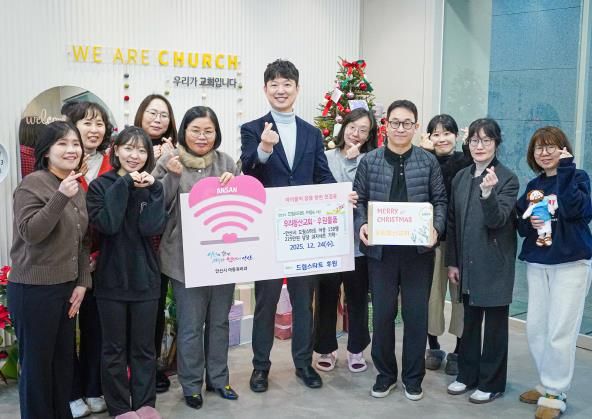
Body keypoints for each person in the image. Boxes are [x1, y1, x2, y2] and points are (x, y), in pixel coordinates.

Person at [240, 59, 336, 392]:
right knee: (265, 302)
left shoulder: (312, 133)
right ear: (265, 89)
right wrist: (264, 149)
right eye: (274, 84)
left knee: (303, 302)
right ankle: (260, 368)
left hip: (302, 232)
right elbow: (248, 173)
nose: (281, 90)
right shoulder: (252, 129)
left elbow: (322, 175)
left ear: (297, 88)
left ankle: (303, 364)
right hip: (267, 231)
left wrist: (341, 196)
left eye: (287, 84)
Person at [354, 99, 447, 401]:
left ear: (416, 127)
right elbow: (359, 200)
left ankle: (413, 377)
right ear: (386, 125)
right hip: (381, 252)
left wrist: (436, 228)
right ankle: (385, 375)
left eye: (407, 123)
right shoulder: (370, 161)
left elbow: (440, 201)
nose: (400, 128)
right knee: (382, 315)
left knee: (415, 316)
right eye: (395, 122)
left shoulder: (428, 162)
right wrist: (362, 224)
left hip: (418, 253)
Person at [153, 106, 239, 410]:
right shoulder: (169, 160)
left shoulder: (226, 162)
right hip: (183, 259)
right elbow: (155, 205)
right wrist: (172, 176)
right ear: (184, 132)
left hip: (222, 258)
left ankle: (218, 379)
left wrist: (235, 185)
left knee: (219, 322)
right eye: (195, 130)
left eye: (208, 131)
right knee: (190, 326)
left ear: (216, 133)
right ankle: (191, 385)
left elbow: (243, 205)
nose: (202, 137)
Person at [8, 120, 91, 419]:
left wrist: (82, 282)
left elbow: (82, 240)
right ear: (46, 151)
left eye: (75, 143)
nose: (71, 150)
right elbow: (31, 232)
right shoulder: (32, 184)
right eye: (62, 143)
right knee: (37, 371)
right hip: (33, 291)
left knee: (62, 366)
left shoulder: (74, 185)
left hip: (66, 289)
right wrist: (60, 196)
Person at [86, 126, 165, 419]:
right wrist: (124, 184)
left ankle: (145, 404)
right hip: (110, 280)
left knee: (144, 349)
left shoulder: (153, 186)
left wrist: (154, 190)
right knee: (114, 350)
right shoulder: (100, 186)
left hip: (146, 280)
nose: (135, 155)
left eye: (142, 150)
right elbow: (108, 224)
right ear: (116, 151)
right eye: (129, 148)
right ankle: (119, 407)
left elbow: (151, 227)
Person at [515, 127, 592, 419]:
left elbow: (577, 210)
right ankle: (547, 383)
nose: (545, 153)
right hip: (538, 263)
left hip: (571, 264)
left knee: (561, 329)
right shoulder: (534, 185)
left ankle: (555, 393)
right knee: (537, 328)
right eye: (539, 148)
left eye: (551, 147)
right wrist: (530, 224)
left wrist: (567, 169)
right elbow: (521, 225)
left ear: (563, 149)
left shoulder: (577, 177)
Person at [446, 118, 519, 404]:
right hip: (467, 262)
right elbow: (452, 222)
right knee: (470, 323)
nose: (479, 146)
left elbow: (497, 220)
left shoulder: (507, 178)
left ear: (496, 144)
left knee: (495, 328)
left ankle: (492, 382)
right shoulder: (461, 177)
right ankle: (467, 375)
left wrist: (488, 194)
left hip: (495, 263)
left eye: (486, 140)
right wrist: (453, 262)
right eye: (475, 140)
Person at [314, 108, 377, 373]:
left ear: (369, 135)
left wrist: (354, 162)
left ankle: (356, 349)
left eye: (363, 130)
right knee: (326, 297)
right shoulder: (326, 157)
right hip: (328, 243)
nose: (356, 134)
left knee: (358, 298)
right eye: (353, 127)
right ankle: (326, 348)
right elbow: (316, 191)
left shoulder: (371, 161)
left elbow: (367, 195)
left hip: (358, 245)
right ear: (344, 127)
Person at [64, 101, 113, 418]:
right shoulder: (63, 163)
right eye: (86, 123)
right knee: (66, 330)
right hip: (68, 261)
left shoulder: (112, 161)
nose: (94, 130)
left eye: (99, 123)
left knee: (97, 327)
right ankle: (71, 392)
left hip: (103, 260)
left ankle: (94, 388)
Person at [419, 114, 471, 375]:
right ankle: (434, 346)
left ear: (456, 136)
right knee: (432, 295)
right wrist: (426, 154)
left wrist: (468, 148)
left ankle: (459, 350)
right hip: (432, 240)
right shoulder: (423, 160)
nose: (442, 138)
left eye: (447, 133)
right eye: (436, 134)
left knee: (460, 296)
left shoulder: (466, 160)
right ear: (428, 137)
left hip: (460, 241)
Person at [134, 93, 177, 393]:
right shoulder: (128, 147)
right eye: (152, 113)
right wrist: (157, 160)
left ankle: (152, 368)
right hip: (130, 244)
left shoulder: (176, 150)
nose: (158, 119)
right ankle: (129, 369)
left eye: (164, 114)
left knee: (156, 308)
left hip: (161, 245)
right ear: (141, 115)